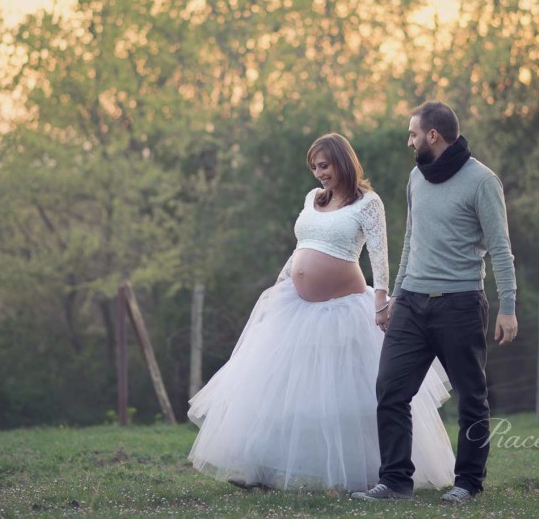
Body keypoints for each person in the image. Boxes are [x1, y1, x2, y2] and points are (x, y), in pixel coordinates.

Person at [188, 133, 455, 492]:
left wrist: (381, 300)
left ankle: (368, 473)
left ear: (343, 162)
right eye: (314, 167)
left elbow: (379, 254)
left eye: (324, 165)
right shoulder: (313, 199)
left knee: (349, 398)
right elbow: (302, 247)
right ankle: (259, 469)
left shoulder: (368, 203)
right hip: (295, 307)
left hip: (345, 311)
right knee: (276, 389)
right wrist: (280, 283)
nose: (319, 173)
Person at [352, 101, 519, 504]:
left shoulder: (482, 181)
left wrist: (508, 306)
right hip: (411, 303)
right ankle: (394, 481)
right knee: (390, 389)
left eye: (413, 134)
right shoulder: (416, 178)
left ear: (433, 135)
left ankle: (467, 483)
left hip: (460, 305)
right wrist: (395, 294)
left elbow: (500, 248)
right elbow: (411, 239)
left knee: (472, 397)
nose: (408, 141)